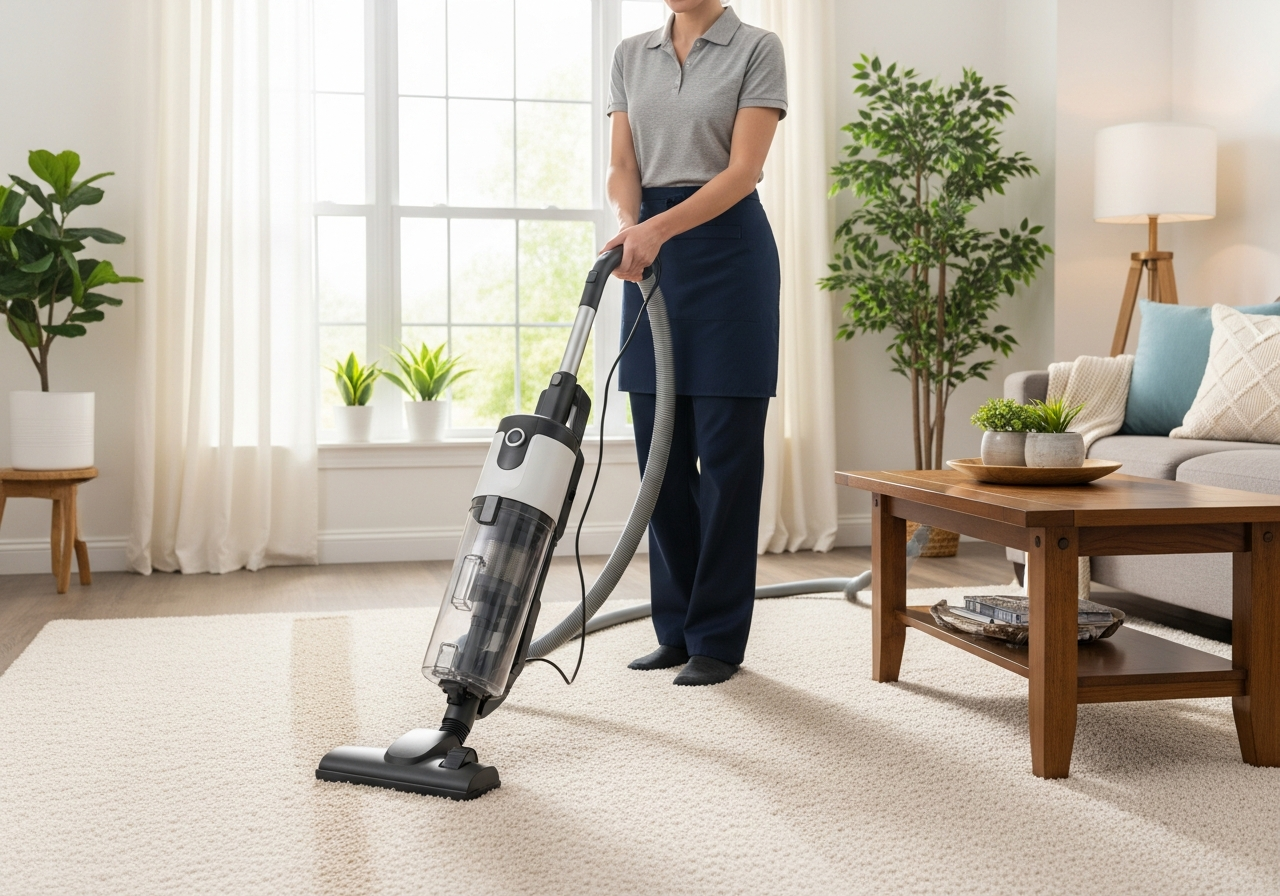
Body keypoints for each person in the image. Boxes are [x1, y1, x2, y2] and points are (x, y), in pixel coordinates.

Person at [603, 0, 786, 686]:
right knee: (661, 455)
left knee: (729, 459)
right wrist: (631, 223)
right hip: (649, 256)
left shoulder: (757, 48)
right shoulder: (631, 55)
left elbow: (743, 172)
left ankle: (716, 639)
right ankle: (674, 630)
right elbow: (622, 162)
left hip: (728, 257)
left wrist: (657, 227)